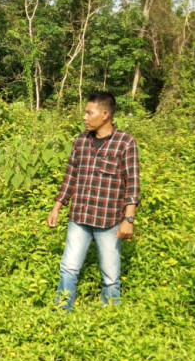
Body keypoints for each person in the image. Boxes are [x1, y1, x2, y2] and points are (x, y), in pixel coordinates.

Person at [47, 91, 140, 310]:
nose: (85, 117)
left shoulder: (125, 143)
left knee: (110, 276)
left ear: (105, 114)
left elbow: (133, 184)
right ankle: (61, 311)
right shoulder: (80, 141)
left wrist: (129, 219)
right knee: (68, 267)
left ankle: (110, 319)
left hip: (108, 221)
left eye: (90, 112)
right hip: (79, 216)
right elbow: (70, 176)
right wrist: (57, 207)